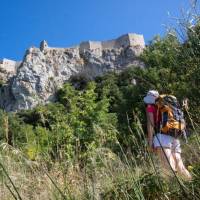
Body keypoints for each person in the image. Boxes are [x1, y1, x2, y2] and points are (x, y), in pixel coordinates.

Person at [144, 90, 192, 180]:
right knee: (180, 165)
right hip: (175, 134)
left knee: (168, 166)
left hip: (162, 136)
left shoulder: (150, 107)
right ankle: (190, 183)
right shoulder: (169, 105)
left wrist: (150, 143)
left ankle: (176, 188)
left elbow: (151, 124)